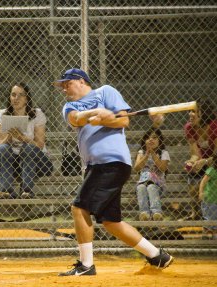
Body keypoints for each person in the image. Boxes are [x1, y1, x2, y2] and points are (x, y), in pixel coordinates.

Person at [54, 68, 174, 276]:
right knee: (111, 221)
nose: (64, 88)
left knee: (79, 208)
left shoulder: (105, 92)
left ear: (81, 81)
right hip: (96, 166)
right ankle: (157, 256)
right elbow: (75, 119)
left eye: (67, 83)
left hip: (111, 162)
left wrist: (105, 119)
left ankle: (86, 265)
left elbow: (123, 120)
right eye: (62, 85)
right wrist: (94, 113)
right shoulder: (69, 106)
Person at [0, 82, 53, 199]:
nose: (17, 98)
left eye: (21, 95)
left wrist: (23, 138)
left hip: (38, 162)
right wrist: (10, 136)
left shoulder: (37, 114)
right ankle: (7, 192)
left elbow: (40, 145)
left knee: (29, 148)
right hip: (13, 164)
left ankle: (27, 192)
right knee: (3, 148)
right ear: (9, 97)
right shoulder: (2, 115)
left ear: (27, 98)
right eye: (13, 95)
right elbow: (0, 144)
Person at [183, 99, 217, 220]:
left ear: (204, 113)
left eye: (194, 111)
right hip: (204, 161)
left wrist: (204, 161)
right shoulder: (189, 128)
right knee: (192, 178)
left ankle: (211, 216)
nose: (190, 114)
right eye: (189, 111)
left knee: (209, 180)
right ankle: (196, 213)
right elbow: (195, 153)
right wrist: (192, 162)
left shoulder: (216, 126)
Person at [134, 127, 170, 221]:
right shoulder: (141, 152)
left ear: (159, 140)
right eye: (148, 138)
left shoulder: (163, 153)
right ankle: (144, 213)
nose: (151, 139)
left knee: (151, 187)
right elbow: (137, 168)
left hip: (158, 185)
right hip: (143, 183)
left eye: (154, 137)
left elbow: (162, 168)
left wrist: (153, 153)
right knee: (140, 187)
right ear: (144, 141)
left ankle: (156, 212)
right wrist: (146, 155)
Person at [199, 152, 217, 240]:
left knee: (216, 217)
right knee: (208, 216)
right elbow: (203, 181)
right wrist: (201, 192)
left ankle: (214, 234)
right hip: (209, 198)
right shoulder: (211, 170)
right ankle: (205, 234)